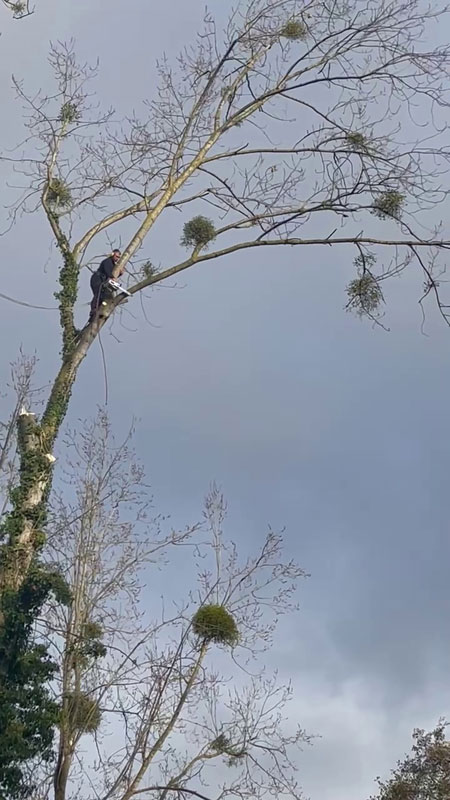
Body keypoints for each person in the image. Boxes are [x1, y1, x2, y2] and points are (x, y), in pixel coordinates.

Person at [89, 249, 125, 320]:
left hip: (102, 280)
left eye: (118, 257)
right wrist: (112, 277)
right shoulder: (107, 261)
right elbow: (108, 272)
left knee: (103, 296)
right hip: (97, 279)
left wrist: (120, 274)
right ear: (112, 254)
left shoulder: (113, 265)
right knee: (98, 294)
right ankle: (94, 310)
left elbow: (111, 274)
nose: (117, 259)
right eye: (116, 256)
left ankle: (98, 310)